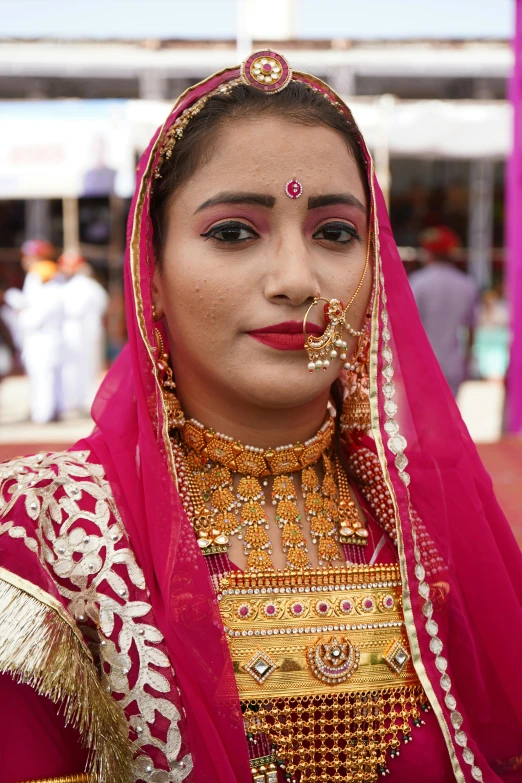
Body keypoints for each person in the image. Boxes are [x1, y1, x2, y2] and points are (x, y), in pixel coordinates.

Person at [0, 51, 521, 783]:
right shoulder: (43, 531)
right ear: (150, 268)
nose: (296, 281)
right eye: (233, 232)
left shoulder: (431, 516)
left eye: (335, 232)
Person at [409, 226, 479, 397]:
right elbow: (471, 329)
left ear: (428, 253)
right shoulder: (467, 284)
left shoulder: (418, 282)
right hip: (452, 364)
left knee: (422, 420)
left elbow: (407, 326)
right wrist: (466, 362)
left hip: (421, 364)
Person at [58, 251, 109, 414]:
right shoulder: (93, 285)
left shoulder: (73, 286)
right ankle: (87, 400)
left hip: (75, 329)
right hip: (91, 329)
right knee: (90, 365)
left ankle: (75, 401)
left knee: (73, 366)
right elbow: (104, 303)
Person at [18, 258, 64, 424]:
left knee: (43, 377)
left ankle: (43, 414)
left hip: (43, 341)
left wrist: (20, 312)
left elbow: (30, 321)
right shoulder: (54, 292)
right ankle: (49, 410)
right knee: (48, 377)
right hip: (48, 340)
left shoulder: (47, 295)